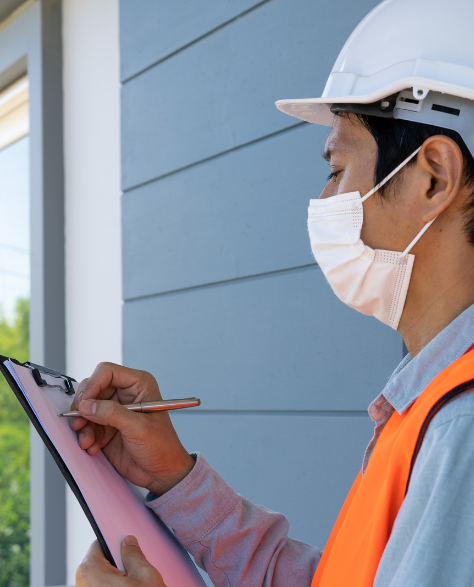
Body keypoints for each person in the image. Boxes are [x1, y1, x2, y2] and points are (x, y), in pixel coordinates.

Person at [74, 0, 474, 585]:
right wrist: (177, 480)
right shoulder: (431, 404)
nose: (323, 197)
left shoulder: (459, 429)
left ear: (433, 176)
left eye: (336, 168)